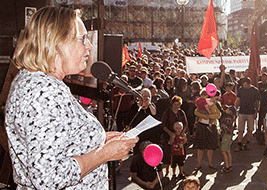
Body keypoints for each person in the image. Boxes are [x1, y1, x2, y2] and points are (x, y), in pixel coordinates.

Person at [5, 7, 138, 189]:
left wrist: (98, 139)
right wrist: (104, 154)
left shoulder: (39, 82)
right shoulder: (44, 92)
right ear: (56, 42)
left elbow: (58, 142)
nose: (89, 46)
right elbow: (48, 178)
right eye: (83, 39)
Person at [193, 91, 221, 171]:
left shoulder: (217, 104)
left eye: (214, 96)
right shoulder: (203, 101)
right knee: (200, 146)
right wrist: (203, 116)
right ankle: (199, 164)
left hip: (212, 126)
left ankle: (210, 163)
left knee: (210, 146)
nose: (212, 97)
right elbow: (196, 112)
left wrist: (209, 116)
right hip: (201, 125)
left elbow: (219, 115)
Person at [161, 95, 188, 176]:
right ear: (172, 104)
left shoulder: (181, 113)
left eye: (178, 104)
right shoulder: (167, 112)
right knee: (168, 154)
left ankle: (181, 172)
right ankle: (167, 172)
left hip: (179, 136)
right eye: (175, 104)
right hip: (169, 135)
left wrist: (183, 132)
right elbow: (163, 125)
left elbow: (186, 124)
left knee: (180, 155)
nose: (177, 106)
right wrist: (170, 133)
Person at [235, 77, 261, 151]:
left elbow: (257, 102)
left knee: (250, 129)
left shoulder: (255, 90)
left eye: (246, 85)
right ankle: (239, 144)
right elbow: (238, 99)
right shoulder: (241, 89)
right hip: (242, 111)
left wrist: (256, 112)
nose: (244, 86)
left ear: (249, 84)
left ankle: (248, 143)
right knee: (240, 129)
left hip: (251, 112)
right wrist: (235, 108)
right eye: (243, 85)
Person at [219, 106, 237, 173]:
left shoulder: (227, 118)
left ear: (230, 111)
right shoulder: (230, 118)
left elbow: (224, 127)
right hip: (228, 135)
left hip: (225, 135)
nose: (226, 109)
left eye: (228, 109)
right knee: (228, 151)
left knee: (224, 151)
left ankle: (227, 166)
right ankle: (230, 165)